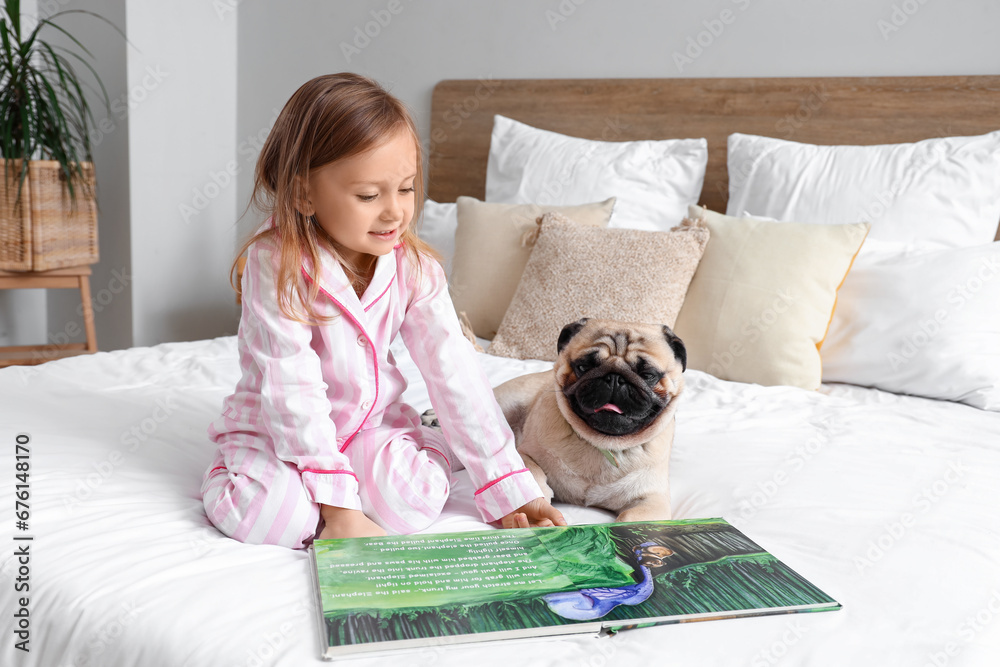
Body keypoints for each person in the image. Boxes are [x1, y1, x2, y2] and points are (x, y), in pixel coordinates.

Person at [200, 73, 565, 549]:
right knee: (269, 521)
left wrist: (506, 486)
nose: (395, 213)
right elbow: (292, 389)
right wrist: (340, 508)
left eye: (407, 189)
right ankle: (239, 461)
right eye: (369, 196)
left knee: (410, 503)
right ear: (303, 194)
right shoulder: (275, 264)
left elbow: (456, 373)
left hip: (368, 427)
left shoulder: (415, 268)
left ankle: (433, 439)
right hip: (277, 427)